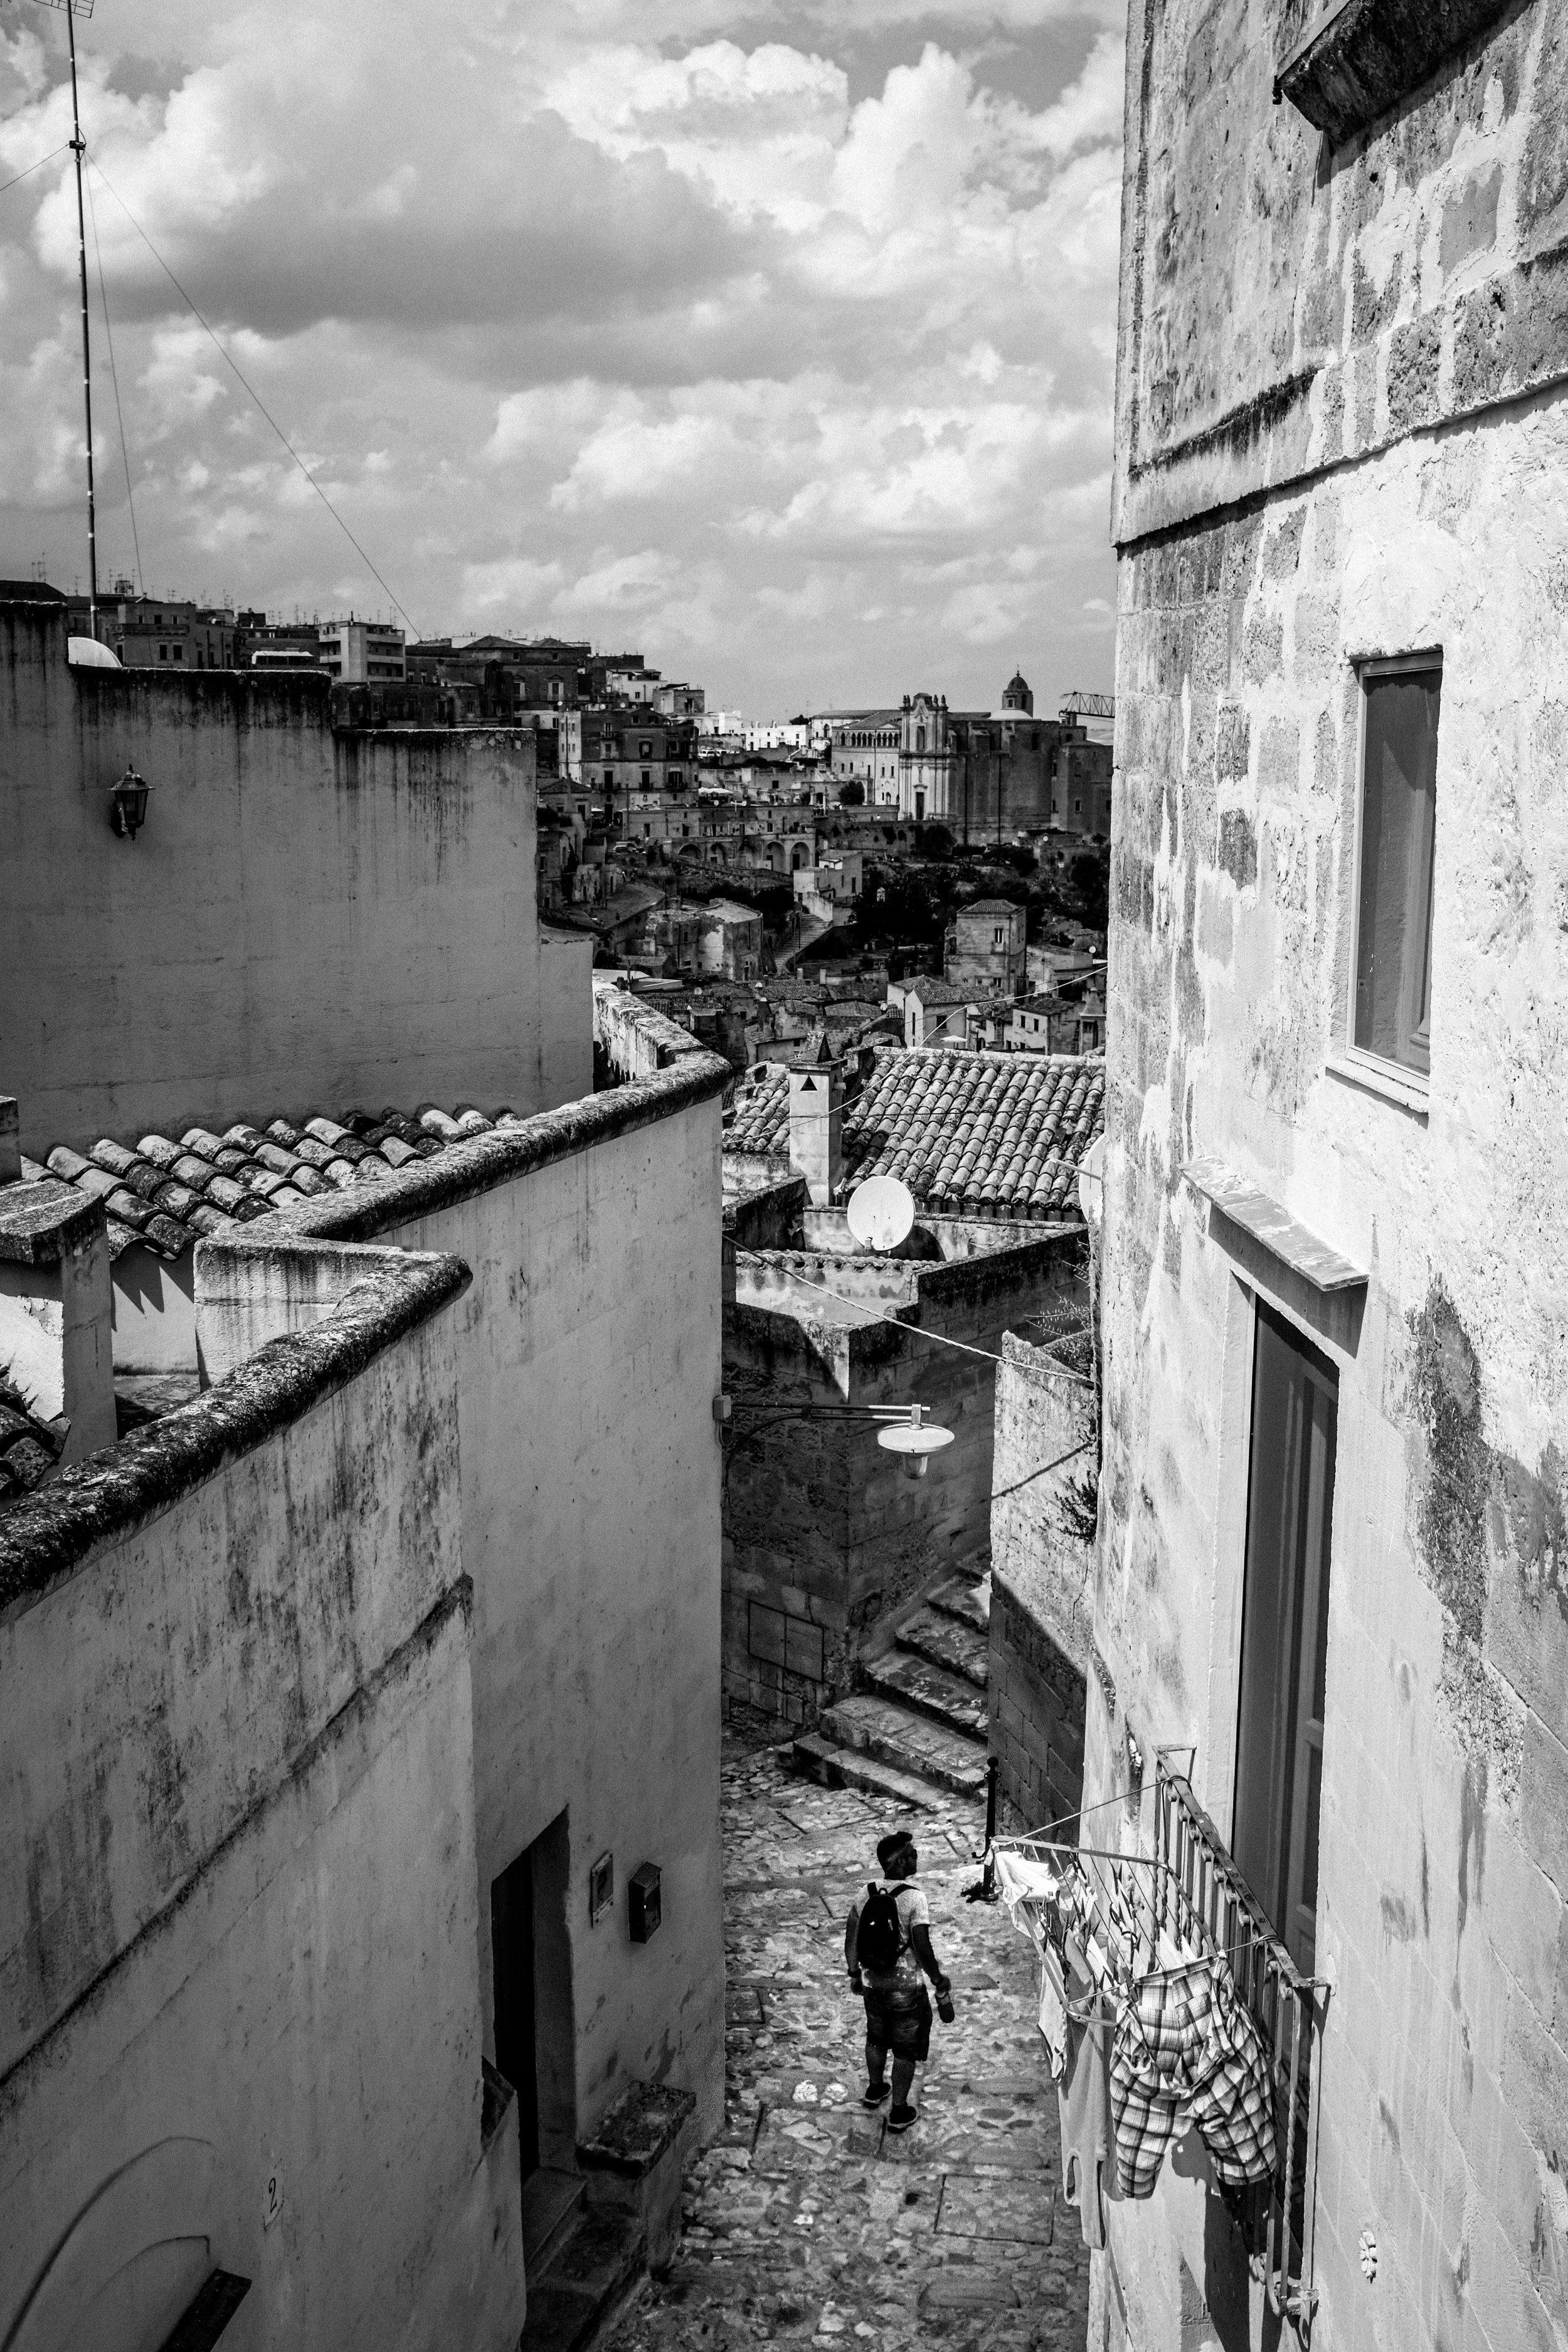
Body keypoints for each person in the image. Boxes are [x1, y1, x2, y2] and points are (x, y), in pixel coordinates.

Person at [844, 1827, 954, 2131]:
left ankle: (875, 2089)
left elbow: (851, 1937)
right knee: (905, 2051)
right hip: (906, 1989)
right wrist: (937, 1978)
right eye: (913, 1854)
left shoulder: (864, 1893)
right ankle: (899, 2110)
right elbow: (922, 1945)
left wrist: (855, 1973)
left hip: (872, 1984)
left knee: (876, 2038)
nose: (917, 1858)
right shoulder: (915, 1898)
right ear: (900, 1862)